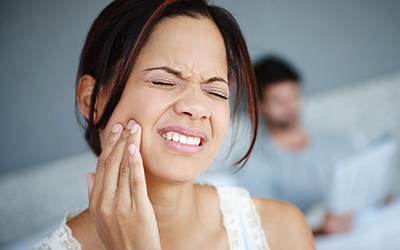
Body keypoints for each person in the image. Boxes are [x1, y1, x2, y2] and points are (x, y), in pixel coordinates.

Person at [32, 1, 314, 249]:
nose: (196, 107)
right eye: (163, 82)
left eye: (216, 92)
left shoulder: (280, 230)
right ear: (92, 100)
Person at [233, 56, 359, 235]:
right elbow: (266, 227)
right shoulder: (256, 164)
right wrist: (318, 231)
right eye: (279, 101)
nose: (290, 106)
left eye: (294, 96)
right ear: (259, 106)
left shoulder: (336, 141)